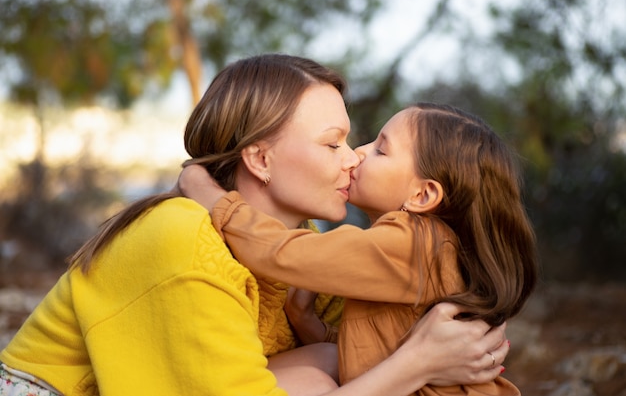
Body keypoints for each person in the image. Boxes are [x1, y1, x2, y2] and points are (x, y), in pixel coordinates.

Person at [0, 54, 509, 396]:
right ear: (260, 159)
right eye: (333, 143)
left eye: (359, 144)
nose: (353, 159)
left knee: (332, 361)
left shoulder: (307, 248)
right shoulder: (180, 239)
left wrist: (462, 339)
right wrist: (419, 362)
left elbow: (366, 339)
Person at [178, 101, 537, 395]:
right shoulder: (427, 248)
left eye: (381, 150)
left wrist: (210, 195)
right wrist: (308, 321)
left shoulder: (412, 243)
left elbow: (282, 253)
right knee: (324, 356)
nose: (358, 155)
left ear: (422, 195)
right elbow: (374, 350)